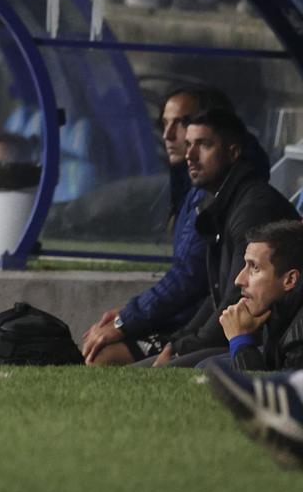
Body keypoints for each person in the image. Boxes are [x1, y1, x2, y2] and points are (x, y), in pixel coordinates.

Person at [80, 85, 227, 365]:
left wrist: (127, 320)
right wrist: (127, 314)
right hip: (186, 321)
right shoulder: (188, 186)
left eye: (181, 123)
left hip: (199, 327)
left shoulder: (211, 194)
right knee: (94, 346)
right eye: (164, 123)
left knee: (102, 357)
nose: (168, 135)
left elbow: (189, 278)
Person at [151, 107, 298, 366]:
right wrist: (178, 342)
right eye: (188, 145)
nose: (190, 155)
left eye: (203, 145)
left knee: (191, 368)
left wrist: (238, 340)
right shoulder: (219, 203)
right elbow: (217, 294)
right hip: (233, 334)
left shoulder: (251, 210)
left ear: (233, 151)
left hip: (236, 335)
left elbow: (266, 396)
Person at [217, 221, 303, 373]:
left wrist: (240, 339)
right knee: (206, 365)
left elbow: (265, 395)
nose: (239, 280)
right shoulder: (277, 307)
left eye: (254, 267)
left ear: (289, 280)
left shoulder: (300, 335)